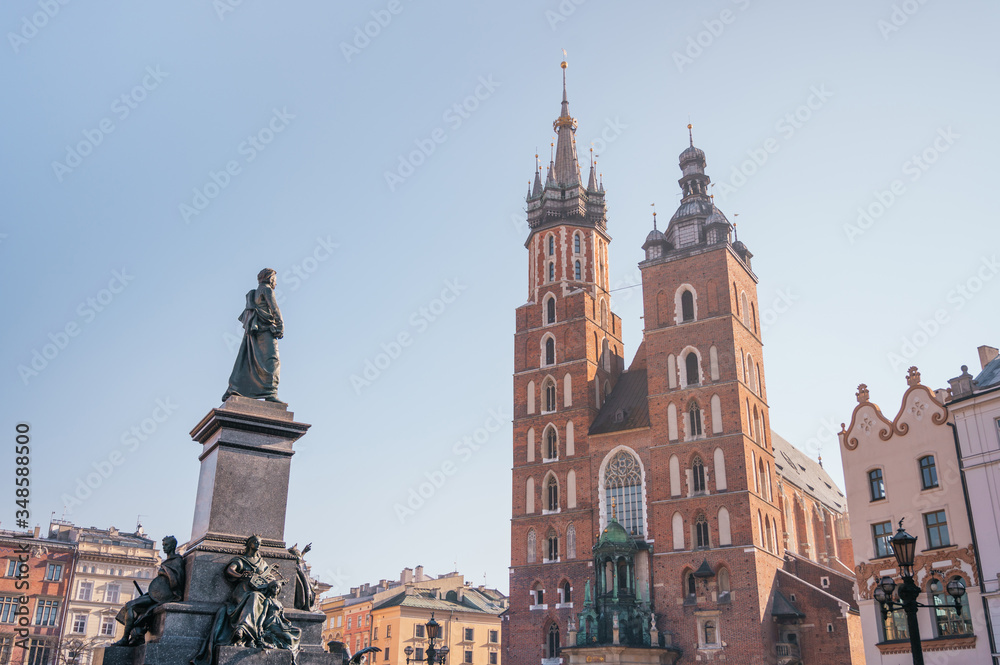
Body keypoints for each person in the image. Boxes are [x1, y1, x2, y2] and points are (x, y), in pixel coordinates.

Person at [192, 535, 281, 665]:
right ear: (249, 544)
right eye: (255, 542)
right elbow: (229, 570)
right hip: (242, 591)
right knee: (253, 596)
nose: (258, 545)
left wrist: (272, 584)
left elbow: (269, 578)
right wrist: (240, 576)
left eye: (259, 543)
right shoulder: (242, 560)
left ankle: (244, 630)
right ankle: (243, 629)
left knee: (256, 597)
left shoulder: (263, 563)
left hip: (259, 593)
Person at [223, 269, 284, 403]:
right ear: (270, 278)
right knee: (272, 361)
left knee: (252, 361)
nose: (276, 283)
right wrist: (280, 324)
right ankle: (271, 393)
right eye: (275, 279)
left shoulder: (254, 293)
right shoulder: (267, 290)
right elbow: (274, 308)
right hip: (267, 331)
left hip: (256, 333)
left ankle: (241, 387)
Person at [113, 536, 185, 646]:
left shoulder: (177, 561)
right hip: (156, 594)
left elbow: (178, 580)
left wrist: (164, 572)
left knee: (131, 605)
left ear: (173, 546)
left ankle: (125, 638)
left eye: (166, 545)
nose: (164, 548)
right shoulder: (167, 562)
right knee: (130, 606)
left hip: (167, 596)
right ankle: (134, 636)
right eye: (163, 545)